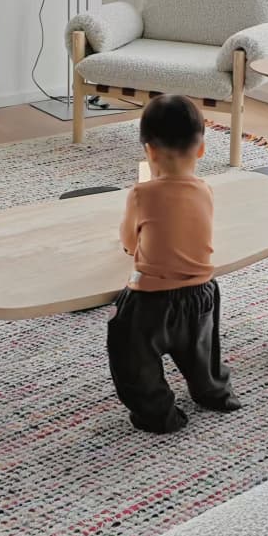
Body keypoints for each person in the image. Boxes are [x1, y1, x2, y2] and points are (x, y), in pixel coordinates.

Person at [107, 94, 241, 433]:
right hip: (202, 295)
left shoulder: (142, 194)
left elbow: (129, 242)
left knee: (130, 353)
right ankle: (213, 391)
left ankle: (158, 414)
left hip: (151, 303)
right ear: (201, 149)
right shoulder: (205, 190)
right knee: (202, 350)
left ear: (149, 151)